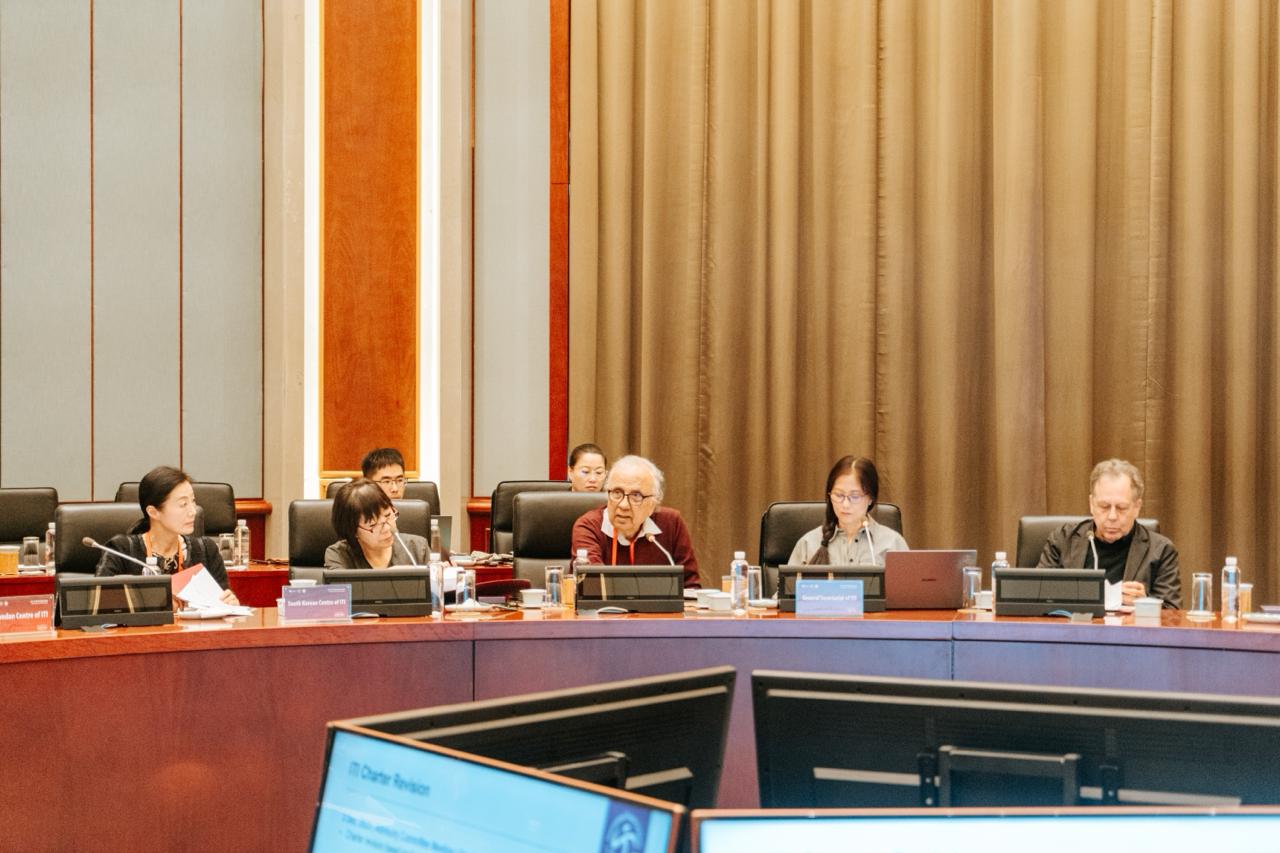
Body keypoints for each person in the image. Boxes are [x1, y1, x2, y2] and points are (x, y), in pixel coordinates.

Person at [1037, 458, 1182, 608]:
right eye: (1104, 506)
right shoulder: (1063, 540)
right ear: (1091, 504)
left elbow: (1172, 612)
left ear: (1137, 508)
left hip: (1130, 624)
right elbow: (1038, 593)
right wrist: (1106, 595)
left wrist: (1145, 603)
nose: (1112, 516)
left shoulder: (1161, 550)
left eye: (1121, 508)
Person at [95, 465, 239, 605]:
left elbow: (223, 601)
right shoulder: (121, 551)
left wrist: (230, 604)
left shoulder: (207, 550)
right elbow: (100, 603)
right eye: (183, 504)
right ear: (153, 512)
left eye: (193, 501)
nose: (193, 511)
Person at [571, 455, 700, 587]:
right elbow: (591, 585)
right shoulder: (588, 527)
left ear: (652, 504)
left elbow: (690, 585)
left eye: (636, 496)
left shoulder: (671, 523)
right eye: (617, 492)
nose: (623, 505)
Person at [788, 456, 908, 566]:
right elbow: (788, 583)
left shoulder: (892, 543)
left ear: (871, 498)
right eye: (838, 495)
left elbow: (908, 583)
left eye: (854, 496)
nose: (845, 504)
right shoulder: (808, 543)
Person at [325, 479, 436, 569]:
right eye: (373, 524)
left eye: (388, 515)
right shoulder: (339, 555)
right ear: (353, 531)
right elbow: (339, 589)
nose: (387, 528)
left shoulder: (418, 548)